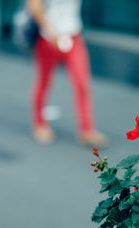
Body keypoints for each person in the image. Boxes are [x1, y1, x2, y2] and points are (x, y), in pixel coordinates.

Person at [27, 0, 107, 146]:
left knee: (81, 83)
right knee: (43, 82)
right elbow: (34, 7)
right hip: (48, 39)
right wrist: (51, 31)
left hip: (73, 37)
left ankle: (87, 130)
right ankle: (39, 124)